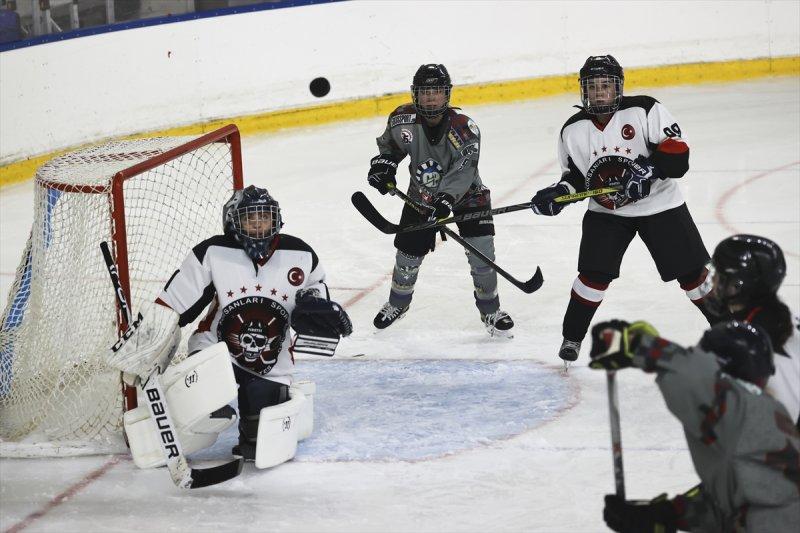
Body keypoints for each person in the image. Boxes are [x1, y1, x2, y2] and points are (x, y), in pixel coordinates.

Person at [529, 55, 713, 363]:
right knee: (592, 276)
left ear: (619, 88)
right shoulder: (572, 130)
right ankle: (571, 338)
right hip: (608, 214)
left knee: (693, 275)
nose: (599, 92)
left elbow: (678, 151)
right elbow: (577, 178)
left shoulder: (644, 109)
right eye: (592, 86)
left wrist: (649, 170)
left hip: (662, 206)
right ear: (582, 91)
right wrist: (558, 194)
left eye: (606, 86)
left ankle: (730, 329)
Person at [148, 185, 352, 460]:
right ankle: (165, 424)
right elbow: (173, 305)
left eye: (264, 218)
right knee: (196, 407)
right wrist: (146, 339)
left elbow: (315, 292)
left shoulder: (301, 254)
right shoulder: (213, 252)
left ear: (276, 219)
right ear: (233, 222)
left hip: (270, 363)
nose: (258, 225)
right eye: (250, 219)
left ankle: (251, 427)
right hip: (214, 352)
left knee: (259, 445)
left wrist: (318, 308)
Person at [589, 319, 800, 532]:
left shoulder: (748, 413)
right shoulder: (763, 421)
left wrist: (636, 345)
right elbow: (735, 505)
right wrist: (665, 516)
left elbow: (695, 378)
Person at [367, 63, 514, 337]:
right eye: (425, 92)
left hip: (468, 198)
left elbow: (465, 169)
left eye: (436, 91)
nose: (431, 97)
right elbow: (390, 146)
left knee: (482, 255)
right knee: (407, 256)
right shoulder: (401, 120)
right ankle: (397, 304)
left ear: (447, 95)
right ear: (415, 95)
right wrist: (384, 165)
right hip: (421, 199)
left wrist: (445, 201)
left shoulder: (464, 128)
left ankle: (490, 311)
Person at [705, 234, 799, 428]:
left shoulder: (742, 342)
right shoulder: (787, 316)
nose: (712, 281)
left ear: (737, 286)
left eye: (718, 275)